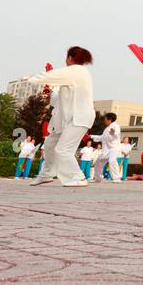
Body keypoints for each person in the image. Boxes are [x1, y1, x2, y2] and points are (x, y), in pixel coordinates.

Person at [26, 47, 96, 187]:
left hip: (79, 118)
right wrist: (50, 91)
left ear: (70, 58)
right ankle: (46, 174)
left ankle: (78, 177)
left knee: (63, 150)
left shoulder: (75, 71)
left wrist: (40, 76)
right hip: (69, 118)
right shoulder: (76, 74)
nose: (65, 60)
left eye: (66, 57)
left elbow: (45, 77)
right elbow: (60, 99)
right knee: (50, 144)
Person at [89, 112, 122, 182]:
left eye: (105, 119)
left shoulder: (116, 126)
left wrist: (114, 133)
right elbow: (102, 137)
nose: (104, 120)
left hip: (114, 149)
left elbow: (117, 134)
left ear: (110, 120)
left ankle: (116, 178)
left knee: (112, 160)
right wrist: (91, 136)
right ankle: (98, 178)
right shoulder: (107, 129)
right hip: (106, 150)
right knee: (98, 161)